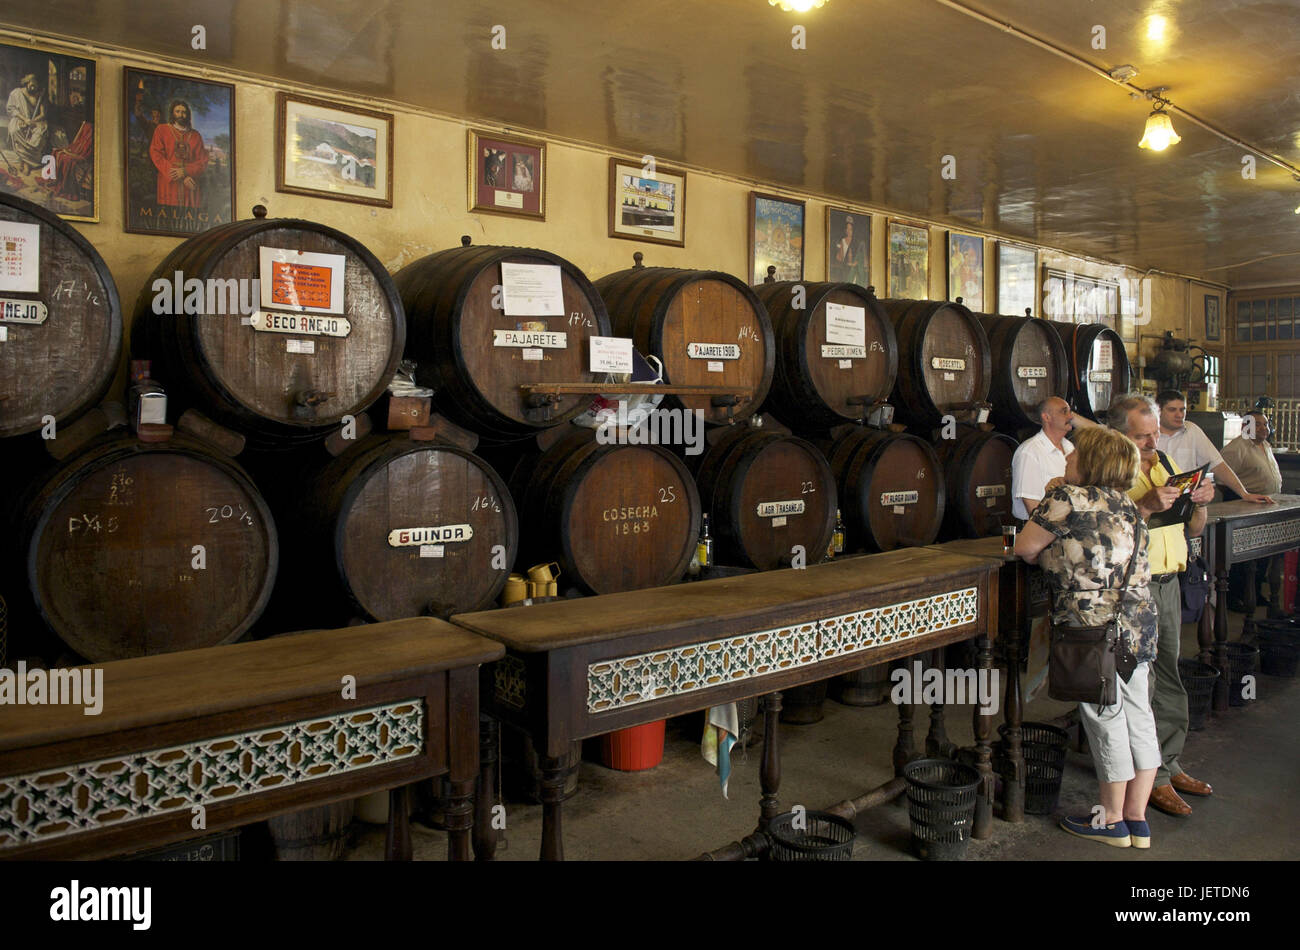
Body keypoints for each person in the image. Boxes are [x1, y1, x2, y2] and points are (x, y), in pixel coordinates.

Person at [1015, 425, 1160, 848]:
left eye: (1075, 454)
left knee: (1105, 717)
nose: (1067, 458)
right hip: (1137, 621)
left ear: (1090, 460)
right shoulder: (1128, 506)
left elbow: (1025, 548)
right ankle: (1137, 819)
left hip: (1090, 626)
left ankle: (1111, 820)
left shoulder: (1067, 499)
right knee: (1138, 714)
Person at [1109, 393, 1215, 817]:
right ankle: (1146, 778)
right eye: (1143, 436)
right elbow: (1106, 529)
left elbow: (1193, 527)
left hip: (1169, 582)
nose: (1153, 442)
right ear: (1120, 436)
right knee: (1138, 683)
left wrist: (1200, 504)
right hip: (1136, 588)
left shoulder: (1167, 464)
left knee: (1170, 673)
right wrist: (1146, 505)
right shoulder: (1112, 471)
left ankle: (1169, 765)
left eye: (1155, 433)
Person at [1155, 390, 1271, 504]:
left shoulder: (1192, 431)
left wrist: (1244, 494)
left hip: (1185, 501)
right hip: (1155, 500)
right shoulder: (1149, 434)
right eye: (1172, 410)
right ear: (1158, 410)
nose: (1179, 415)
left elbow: (1218, 464)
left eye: (1182, 409)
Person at [1221, 411, 1285, 615]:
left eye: (1265, 424)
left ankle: (1255, 593)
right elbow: (1223, 481)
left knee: (1261, 555)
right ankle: (1235, 597)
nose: (1263, 428)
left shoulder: (1264, 445)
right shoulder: (1236, 448)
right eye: (1257, 425)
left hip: (1267, 506)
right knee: (1242, 558)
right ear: (1244, 426)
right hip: (1244, 508)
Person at [1011, 396, 1076, 519]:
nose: (1071, 417)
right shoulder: (1029, 452)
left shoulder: (1070, 447)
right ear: (1046, 417)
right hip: (1037, 531)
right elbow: (1032, 506)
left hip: (1064, 528)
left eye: (1069, 411)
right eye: (1064, 412)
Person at [149, 99, 208, 207]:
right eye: (177, 111)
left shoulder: (195, 135)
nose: (181, 114)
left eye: (184, 112)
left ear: (188, 115)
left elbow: (202, 161)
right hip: (169, 182)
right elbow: (156, 154)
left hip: (191, 182)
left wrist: (186, 171)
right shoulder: (162, 130)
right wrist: (181, 175)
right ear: (172, 113)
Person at [5, 72, 49, 173]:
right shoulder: (16, 93)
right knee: (14, 129)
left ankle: (26, 163)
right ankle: (26, 161)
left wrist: (32, 121)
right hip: (20, 118)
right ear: (27, 83)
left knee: (39, 134)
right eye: (32, 86)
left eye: (35, 86)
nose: (33, 88)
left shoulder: (40, 95)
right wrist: (25, 120)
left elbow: (43, 114)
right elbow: (11, 109)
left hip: (36, 121)